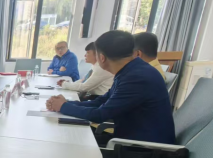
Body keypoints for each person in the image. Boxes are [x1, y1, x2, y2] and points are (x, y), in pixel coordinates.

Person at [45, 30, 175, 145]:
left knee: (68, 143)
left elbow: (101, 114)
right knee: (67, 139)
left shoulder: (137, 77)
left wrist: (63, 107)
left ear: (101, 58)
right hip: (132, 141)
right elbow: (101, 101)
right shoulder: (131, 70)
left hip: (143, 152)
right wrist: (66, 103)